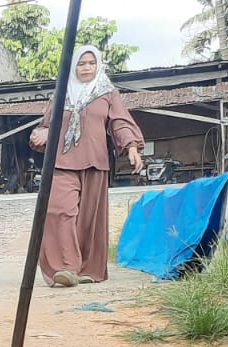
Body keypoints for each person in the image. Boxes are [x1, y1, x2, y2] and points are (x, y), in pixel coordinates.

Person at [29, 45, 144, 287]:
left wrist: (131, 146)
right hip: (61, 161)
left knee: (89, 219)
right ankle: (66, 268)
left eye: (91, 63)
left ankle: (88, 268)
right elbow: (49, 124)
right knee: (58, 210)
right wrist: (42, 134)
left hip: (94, 161)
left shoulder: (107, 92)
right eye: (82, 63)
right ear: (74, 67)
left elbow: (119, 122)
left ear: (98, 65)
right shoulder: (62, 92)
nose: (87, 68)